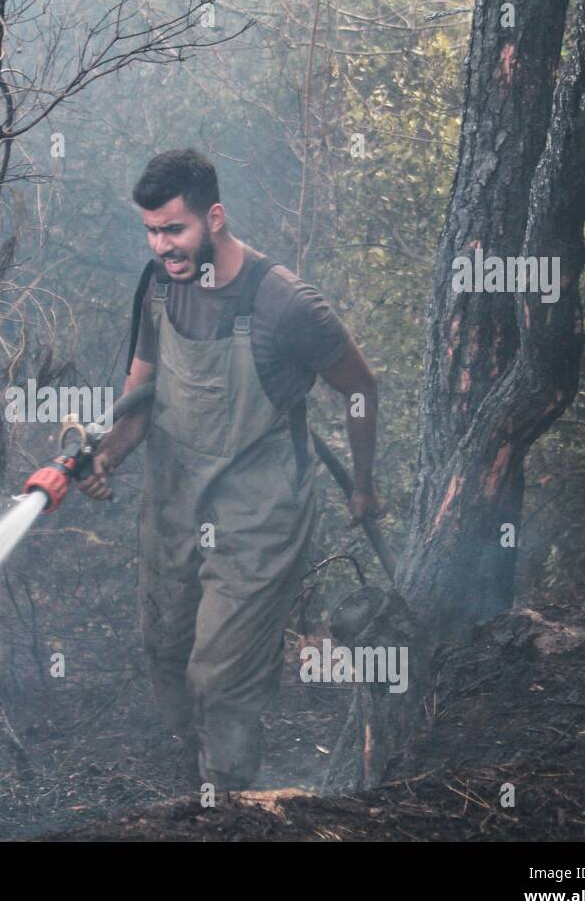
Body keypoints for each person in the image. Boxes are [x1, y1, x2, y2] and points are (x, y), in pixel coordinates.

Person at [77, 149, 382, 790]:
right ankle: (203, 789)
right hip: (173, 506)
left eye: (175, 230)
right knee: (167, 656)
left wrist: (363, 484)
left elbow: (360, 388)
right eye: (152, 231)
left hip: (256, 516)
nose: (162, 246)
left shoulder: (287, 305)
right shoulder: (159, 286)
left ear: (214, 217)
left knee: (220, 678)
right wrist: (105, 454)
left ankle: (232, 806)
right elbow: (140, 400)